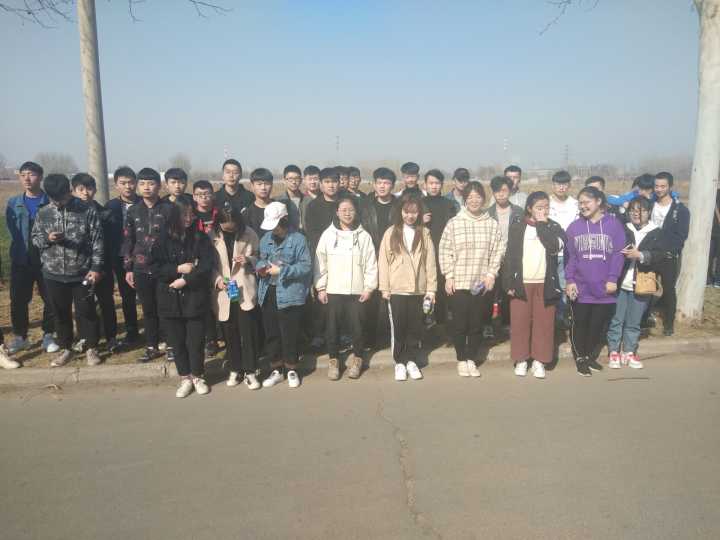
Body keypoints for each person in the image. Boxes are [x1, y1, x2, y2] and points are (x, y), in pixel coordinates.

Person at [31, 174, 104, 367]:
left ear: (69, 191)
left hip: (82, 272)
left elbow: (97, 241)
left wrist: (96, 268)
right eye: (55, 198)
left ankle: (91, 347)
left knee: (87, 311)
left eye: (62, 197)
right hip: (53, 273)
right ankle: (66, 349)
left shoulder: (86, 210)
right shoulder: (43, 213)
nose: (59, 202)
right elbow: (35, 238)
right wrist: (48, 239)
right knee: (60, 313)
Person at [439, 181, 506, 378]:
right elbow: (445, 250)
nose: (474, 200)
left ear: (483, 199)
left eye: (478, 197)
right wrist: (448, 276)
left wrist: (491, 274)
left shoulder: (491, 224)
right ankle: (461, 359)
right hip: (459, 282)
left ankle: (471, 359)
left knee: (476, 325)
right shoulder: (454, 223)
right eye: (470, 197)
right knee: (460, 324)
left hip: (481, 283)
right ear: (465, 200)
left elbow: (498, 251)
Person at [149, 199, 213, 398]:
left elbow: (206, 266)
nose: (188, 218)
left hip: (194, 297)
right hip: (169, 298)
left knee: (195, 341)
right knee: (177, 342)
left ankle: (198, 375)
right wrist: (177, 269)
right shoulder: (161, 239)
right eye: (184, 214)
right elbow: (154, 267)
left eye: (191, 214)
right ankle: (185, 377)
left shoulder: (200, 238)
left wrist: (186, 280)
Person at [502, 192, 565, 379]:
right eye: (539, 207)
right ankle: (521, 360)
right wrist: (508, 282)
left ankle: (540, 361)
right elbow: (509, 256)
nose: (543, 211)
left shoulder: (553, 226)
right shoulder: (517, 226)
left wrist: (542, 225)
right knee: (519, 323)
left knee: (544, 323)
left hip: (545, 283)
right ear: (529, 208)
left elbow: (554, 247)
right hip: (522, 283)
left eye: (546, 207)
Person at [564, 186, 626, 376]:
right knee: (580, 323)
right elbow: (570, 257)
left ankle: (590, 356)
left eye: (587, 202)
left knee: (597, 325)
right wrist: (570, 280)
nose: (583, 206)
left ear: (598, 202)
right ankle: (580, 358)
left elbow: (618, 255)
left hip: (604, 287)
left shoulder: (614, 225)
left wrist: (613, 278)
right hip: (581, 286)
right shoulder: (574, 228)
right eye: (580, 203)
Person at [314, 196, 377, 380]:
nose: (347, 214)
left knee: (358, 326)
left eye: (351, 210)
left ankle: (357, 358)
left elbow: (371, 263)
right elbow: (320, 263)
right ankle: (334, 360)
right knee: (332, 327)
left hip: (357, 290)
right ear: (337, 212)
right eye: (343, 210)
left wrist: (369, 288)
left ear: (356, 212)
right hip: (333, 289)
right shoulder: (328, 235)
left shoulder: (363, 236)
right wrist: (321, 288)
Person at [379, 194, 436, 381]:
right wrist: (384, 287)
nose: (410, 216)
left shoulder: (424, 233)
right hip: (397, 288)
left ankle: (411, 360)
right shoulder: (391, 232)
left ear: (419, 213)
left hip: (418, 289)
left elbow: (430, 263)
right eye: (406, 212)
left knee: (414, 327)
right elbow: (383, 262)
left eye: (414, 212)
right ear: (400, 212)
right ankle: (399, 362)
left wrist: (431, 290)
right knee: (399, 327)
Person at [121, 167, 174, 363]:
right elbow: (128, 240)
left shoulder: (169, 209)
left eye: (151, 184)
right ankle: (152, 346)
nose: (146, 187)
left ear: (159, 186)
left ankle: (171, 345)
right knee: (148, 309)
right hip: (141, 268)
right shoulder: (133, 211)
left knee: (166, 308)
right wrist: (128, 268)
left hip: (164, 267)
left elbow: (176, 238)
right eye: (142, 184)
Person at [256, 202, 312, 389]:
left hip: (290, 293)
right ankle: (276, 369)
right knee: (272, 334)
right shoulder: (265, 239)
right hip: (268, 292)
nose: (274, 230)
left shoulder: (298, 240)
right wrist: (261, 268)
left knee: (290, 333)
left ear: (285, 220)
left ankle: (291, 368)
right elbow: (261, 259)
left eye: (277, 225)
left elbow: (305, 266)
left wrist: (282, 270)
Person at [6, 161, 58, 354]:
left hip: (47, 258)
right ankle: (21, 337)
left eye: (32, 174)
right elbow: (12, 231)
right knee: (18, 300)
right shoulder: (14, 203)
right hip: (22, 259)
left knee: (50, 298)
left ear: (41, 177)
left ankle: (48, 335)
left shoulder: (51, 201)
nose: (27, 179)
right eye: (23, 175)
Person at [606, 197, 663, 370]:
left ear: (648, 212)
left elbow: (661, 255)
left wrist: (641, 255)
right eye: (633, 210)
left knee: (634, 321)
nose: (637, 214)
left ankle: (629, 351)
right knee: (616, 319)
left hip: (642, 283)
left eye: (641, 210)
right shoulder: (623, 228)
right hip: (620, 282)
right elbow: (610, 248)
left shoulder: (656, 232)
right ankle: (614, 351)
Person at [209, 205, 262, 389]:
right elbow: (208, 264)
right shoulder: (212, 236)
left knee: (249, 333)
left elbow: (260, 256)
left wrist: (249, 260)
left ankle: (251, 370)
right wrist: (217, 280)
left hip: (244, 287)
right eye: (226, 228)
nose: (230, 230)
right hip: (225, 290)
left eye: (233, 227)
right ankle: (234, 368)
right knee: (230, 332)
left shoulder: (250, 233)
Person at [71, 173, 121, 353]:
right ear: (73, 191)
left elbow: (111, 244)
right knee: (82, 305)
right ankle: (85, 337)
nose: (85, 193)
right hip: (79, 269)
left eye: (89, 189)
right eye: (81, 189)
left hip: (102, 268)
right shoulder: (70, 214)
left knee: (106, 302)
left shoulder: (105, 214)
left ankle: (111, 337)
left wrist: (103, 267)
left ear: (95, 190)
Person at [359, 167, 399, 349]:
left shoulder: (399, 206)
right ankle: (369, 339)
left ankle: (391, 337)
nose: (383, 186)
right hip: (371, 257)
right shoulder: (365, 207)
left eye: (387, 183)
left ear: (393, 185)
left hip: (394, 257)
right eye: (379, 182)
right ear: (374, 184)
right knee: (371, 299)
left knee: (392, 298)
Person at [651, 172, 689, 336]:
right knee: (646, 287)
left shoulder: (680, 210)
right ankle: (645, 318)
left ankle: (668, 324)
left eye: (663, 186)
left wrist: (669, 250)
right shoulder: (649, 204)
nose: (659, 189)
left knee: (668, 290)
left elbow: (681, 236)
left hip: (668, 257)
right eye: (656, 186)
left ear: (670, 187)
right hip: (649, 254)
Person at [486, 176, 524, 337]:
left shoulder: (518, 212)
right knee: (492, 292)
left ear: (510, 191)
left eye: (504, 190)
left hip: (512, 257)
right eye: (497, 191)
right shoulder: (488, 213)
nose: (500, 194)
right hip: (493, 257)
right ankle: (491, 325)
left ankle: (510, 324)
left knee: (510, 291)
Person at [106, 166, 140, 343]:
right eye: (123, 183)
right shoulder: (111, 207)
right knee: (127, 296)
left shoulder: (144, 203)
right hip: (121, 257)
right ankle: (132, 330)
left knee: (150, 294)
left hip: (144, 256)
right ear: (116, 185)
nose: (128, 186)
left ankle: (157, 331)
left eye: (131, 182)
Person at [422, 169, 456, 325]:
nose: (434, 186)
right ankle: (426, 319)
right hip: (425, 252)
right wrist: (419, 220)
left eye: (437, 183)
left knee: (443, 288)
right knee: (426, 287)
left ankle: (443, 321)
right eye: (431, 183)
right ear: (425, 184)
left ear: (442, 185)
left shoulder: (449, 204)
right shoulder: (419, 204)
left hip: (444, 252)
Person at [192, 179, 220, 358]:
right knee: (205, 302)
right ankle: (210, 339)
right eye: (200, 195)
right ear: (194, 197)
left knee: (223, 297)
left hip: (221, 261)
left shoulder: (220, 213)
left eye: (207, 194)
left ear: (213, 195)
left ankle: (225, 333)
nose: (204, 198)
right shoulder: (191, 216)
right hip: (200, 263)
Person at [548, 170, 578, 327]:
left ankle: (562, 316)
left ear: (569, 185)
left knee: (564, 284)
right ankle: (549, 317)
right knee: (550, 285)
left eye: (564, 184)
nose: (561, 187)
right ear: (553, 185)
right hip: (550, 252)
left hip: (568, 253)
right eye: (558, 184)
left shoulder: (575, 204)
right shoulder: (546, 203)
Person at [299, 165, 320, 230]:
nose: (312, 182)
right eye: (310, 179)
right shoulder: (301, 200)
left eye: (315, 179)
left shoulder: (326, 197)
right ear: (304, 180)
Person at [710, 188, 720, 288]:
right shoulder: (715, 193)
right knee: (709, 256)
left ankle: (718, 280)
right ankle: (708, 279)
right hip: (712, 231)